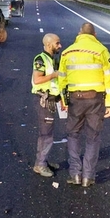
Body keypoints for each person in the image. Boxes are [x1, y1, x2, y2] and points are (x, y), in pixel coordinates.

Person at [57, 22, 110, 188]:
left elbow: (62, 79)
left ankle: (75, 174)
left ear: (79, 34)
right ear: (94, 35)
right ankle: (88, 177)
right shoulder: (101, 51)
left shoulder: (67, 51)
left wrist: (64, 100)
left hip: (75, 99)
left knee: (73, 134)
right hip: (95, 99)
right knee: (93, 137)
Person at [30, 33, 62, 178]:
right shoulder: (41, 59)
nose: (60, 46)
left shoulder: (51, 59)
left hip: (50, 100)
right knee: (46, 135)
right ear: (49, 45)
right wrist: (54, 75)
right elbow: (37, 80)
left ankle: (43, 161)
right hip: (43, 99)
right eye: (57, 43)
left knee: (47, 133)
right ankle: (40, 165)